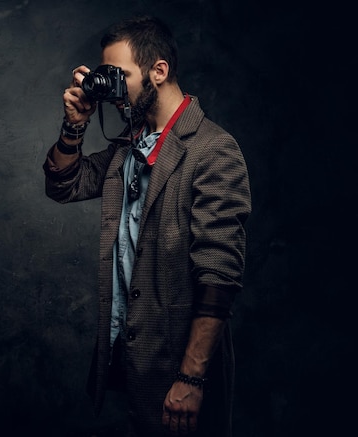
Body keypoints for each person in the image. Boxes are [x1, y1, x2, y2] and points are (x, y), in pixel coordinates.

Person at [42, 16, 251, 437]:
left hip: (180, 369)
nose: (113, 88)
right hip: (129, 359)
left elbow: (219, 275)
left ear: (159, 71)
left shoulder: (213, 149)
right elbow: (63, 185)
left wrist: (191, 379)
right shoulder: (129, 147)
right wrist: (75, 124)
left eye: (120, 76)